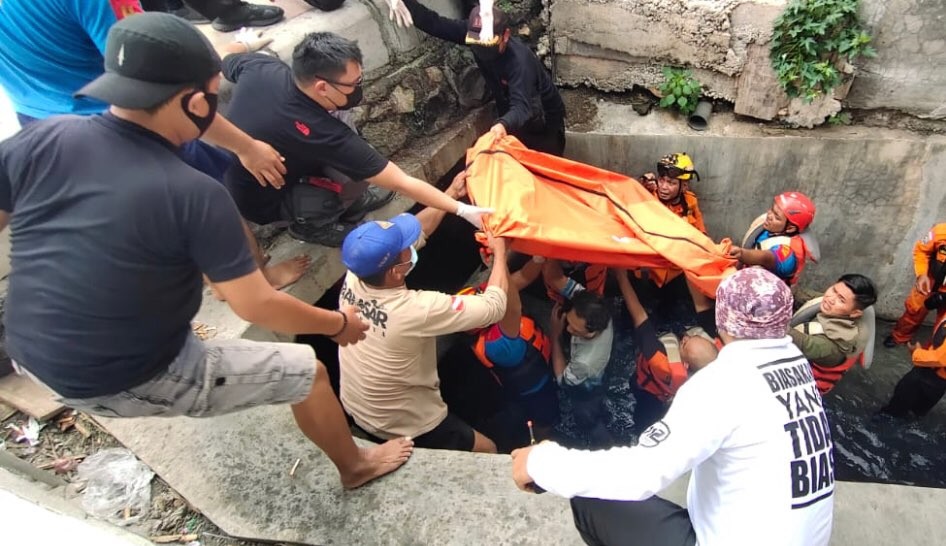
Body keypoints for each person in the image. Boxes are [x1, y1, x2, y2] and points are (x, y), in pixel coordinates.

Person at [0, 13, 413, 489]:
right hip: (118, 374)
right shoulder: (193, 192)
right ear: (197, 102)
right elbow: (257, 305)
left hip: (25, 349)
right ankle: (356, 468)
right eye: (214, 94)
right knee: (310, 372)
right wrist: (339, 325)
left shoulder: (44, 137)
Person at [511, 267, 835, 546]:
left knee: (588, 495)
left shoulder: (721, 384)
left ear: (721, 323)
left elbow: (642, 474)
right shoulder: (797, 366)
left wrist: (542, 463)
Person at [0, 0, 310, 289]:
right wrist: (246, 147)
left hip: (39, 117)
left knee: (160, 216)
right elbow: (160, 84)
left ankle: (216, 280)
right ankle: (256, 281)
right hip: (120, 116)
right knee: (209, 202)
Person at [222, 32, 491, 247]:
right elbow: (401, 181)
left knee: (360, 166)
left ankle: (347, 201)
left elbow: (224, 60)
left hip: (284, 158)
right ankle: (312, 225)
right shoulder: (322, 132)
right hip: (264, 197)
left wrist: (244, 44)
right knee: (343, 183)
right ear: (322, 87)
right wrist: (462, 210)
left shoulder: (262, 67)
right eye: (353, 83)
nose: (358, 89)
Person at [337, 196, 508, 453]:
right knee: (489, 449)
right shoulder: (416, 310)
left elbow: (420, 229)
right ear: (396, 271)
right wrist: (501, 254)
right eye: (405, 246)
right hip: (405, 423)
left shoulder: (357, 271)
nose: (411, 244)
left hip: (355, 403)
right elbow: (493, 307)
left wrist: (449, 197)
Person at [390, 0, 567, 155]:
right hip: (508, 108)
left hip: (542, 119)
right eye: (477, 45)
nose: (481, 51)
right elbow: (434, 23)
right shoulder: (474, 35)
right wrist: (404, 3)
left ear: (505, 36)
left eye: (487, 46)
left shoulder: (519, 61)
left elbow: (522, 107)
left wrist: (501, 125)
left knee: (545, 164)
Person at [614, 269, 718, 434]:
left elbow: (639, 316)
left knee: (643, 424)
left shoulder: (661, 362)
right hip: (673, 393)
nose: (685, 337)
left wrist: (621, 277)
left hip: (650, 393)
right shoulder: (718, 360)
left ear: (685, 363)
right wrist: (688, 268)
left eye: (684, 344)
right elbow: (702, 306)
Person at [466, 256, 559, 440]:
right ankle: (542, 441)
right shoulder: (497, 345)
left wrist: (539, 258)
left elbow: (523, 277)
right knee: (544, 421)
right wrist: (500, 257)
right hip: (534, 391)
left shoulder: (491, 322)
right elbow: (514, 307)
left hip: (535, 370)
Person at [544, 261, 614, 448]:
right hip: (598, 367)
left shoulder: (585, 363)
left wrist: (555, 334)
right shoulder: (591, 305)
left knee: (587, 418)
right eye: (568, 322)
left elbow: (562, 379)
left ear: (591, 333)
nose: (568, 328)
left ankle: (605, 447)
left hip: (587, 389)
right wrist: (544, 255)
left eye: (574, 329)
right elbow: (555, 278)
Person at [790, 274, 877, 394]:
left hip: (805, 386)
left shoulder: (837, 341)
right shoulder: (832, 303)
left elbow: (803, 343)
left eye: (841, 300)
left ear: (855, 313)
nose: (830, 298)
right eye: (834, 290)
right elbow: (800, 293)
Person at [729, 191, 816, 286]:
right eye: (772, 210)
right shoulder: (773, 227)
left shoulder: (787, 254)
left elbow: (766, 258)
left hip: (766, 292)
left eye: (776, 217)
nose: (769, 216)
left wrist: (742, 254)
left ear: (790, 228)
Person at [884, 223, 946, 348]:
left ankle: (934, 353)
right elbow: (922, 251)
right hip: (930, 281)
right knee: (914, 310)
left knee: (943, 327)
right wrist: (922, 274)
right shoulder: (941, 231)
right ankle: (899, 337)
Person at [880, 314, 946, 419]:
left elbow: (941, 359)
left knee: (894, 409)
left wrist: (916, 353)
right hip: (938, 384)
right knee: (916, 414)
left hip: (929, 376)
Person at [639, 153, 706, 234]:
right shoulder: (649, 196)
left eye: (670, 183)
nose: (663, 187)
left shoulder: (691, 201)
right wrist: (640, 187)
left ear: (684, 186)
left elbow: (702, 236)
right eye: (661, 180)